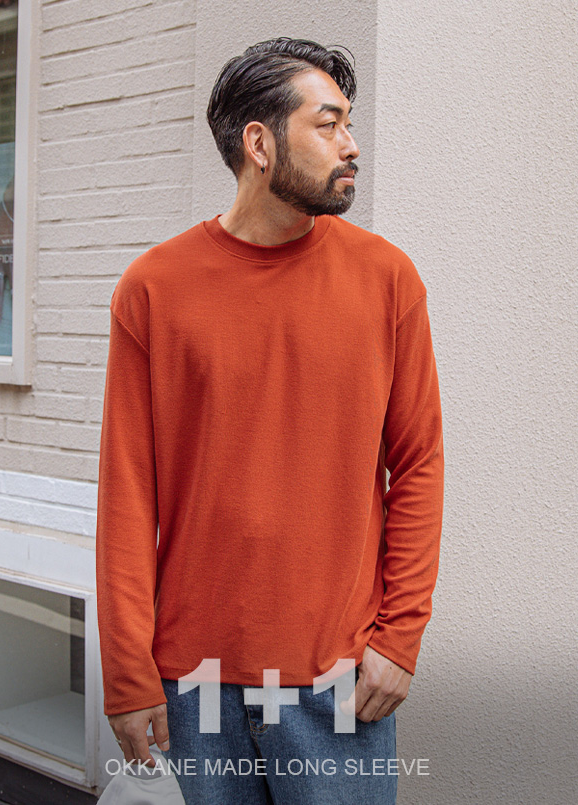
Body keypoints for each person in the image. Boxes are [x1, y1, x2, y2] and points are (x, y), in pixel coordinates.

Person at [96, 37, 444, 805]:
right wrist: (127, 670)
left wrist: (400, 636)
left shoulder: (387, 280)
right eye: (328, 124)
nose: (351, 145)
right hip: (197, 680)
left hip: (338, 676)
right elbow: (127, 491)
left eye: (349, 123)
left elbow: (419, 462)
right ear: (259, 143)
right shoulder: (153, 289)